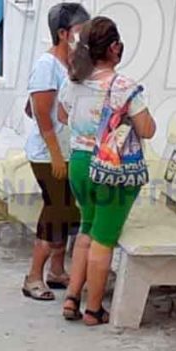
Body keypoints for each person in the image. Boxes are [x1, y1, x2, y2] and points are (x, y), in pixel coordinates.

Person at [58, 17, 156, 326]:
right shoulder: (123, 87)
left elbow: (62, 114)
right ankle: (94, 309)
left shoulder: (73, 82)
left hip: (79, 164)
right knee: (104, 239)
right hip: (111, 170)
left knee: (87, 229)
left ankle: (73, 298)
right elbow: (148, 129)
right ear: (114, 48)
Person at [21, 3, 89, 302]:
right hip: (48, 155)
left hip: (68, 150)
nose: (84, 35)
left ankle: (57, 271)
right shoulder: (47, 65)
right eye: (79, 29)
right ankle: (34, 275)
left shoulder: (74, 64)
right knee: (56, 212)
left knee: (69, 212)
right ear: (63, 33)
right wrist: (56, 155)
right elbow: (40, 113)